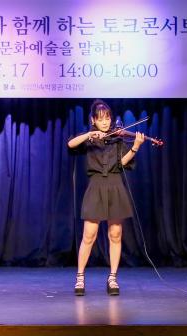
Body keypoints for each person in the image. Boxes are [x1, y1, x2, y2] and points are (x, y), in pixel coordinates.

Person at [67, 99, 144, 296]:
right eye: (101, 119)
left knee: (115, 235)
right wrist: (89, 134)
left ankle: (113, 278)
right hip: (96, 187)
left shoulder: (118, 138)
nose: (105, 122)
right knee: (89, 236)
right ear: (93, 120)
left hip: (115, 185)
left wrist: (135, 146)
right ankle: (80, 277)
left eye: (108, 118)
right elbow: (70, 144)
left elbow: (122, 163)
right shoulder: (90, 139)